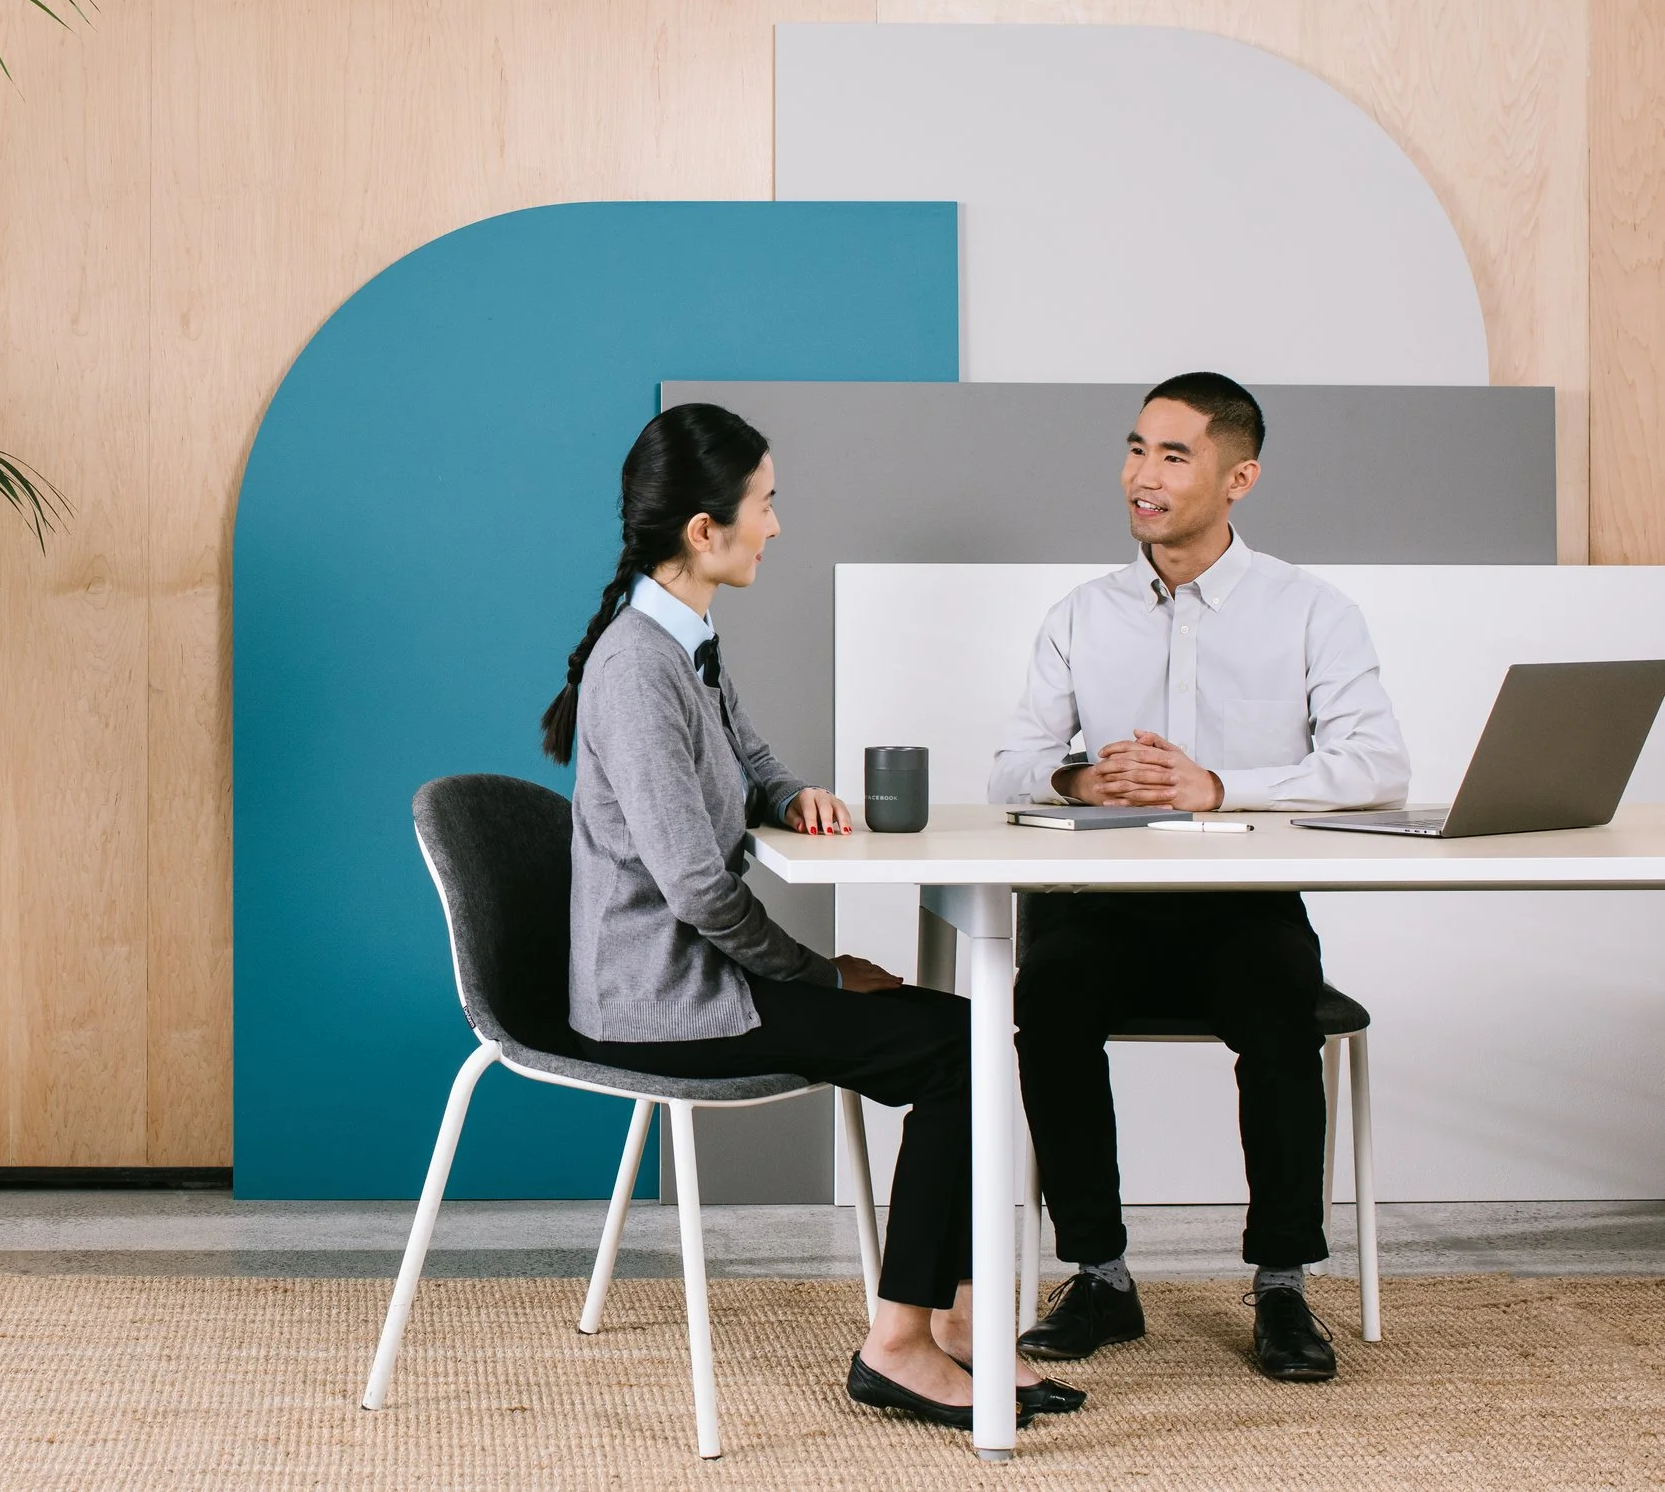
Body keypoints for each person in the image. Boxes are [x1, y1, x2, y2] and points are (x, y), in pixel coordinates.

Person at [549, 402, 1080, 1431]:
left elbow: (746, 753)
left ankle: (963, 1323)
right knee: (959, 1046)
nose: (779, 526)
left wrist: (792, 794)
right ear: (705, 529)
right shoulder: (635, 669)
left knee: (968, 1035)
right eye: (767, 503)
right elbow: (699, 890)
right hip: (664, 1001)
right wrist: (819, 971)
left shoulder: (685, 637)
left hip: (695, 978)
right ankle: (899, 1344)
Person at [990, 372, 1410, 1383]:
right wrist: (1079, 774)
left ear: (1239, 477)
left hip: (1239, 904)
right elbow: (1006, 768)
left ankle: (1280, 1285)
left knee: (1278, 1005)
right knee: (1044, 992)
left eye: (1173, 455)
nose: (1142, 474)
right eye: (1136, 448)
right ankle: (1100, 1273)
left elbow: (1379, 766)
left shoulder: (1312, 608)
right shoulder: (1078, 614)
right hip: (1100, 904)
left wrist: (1217, 785)